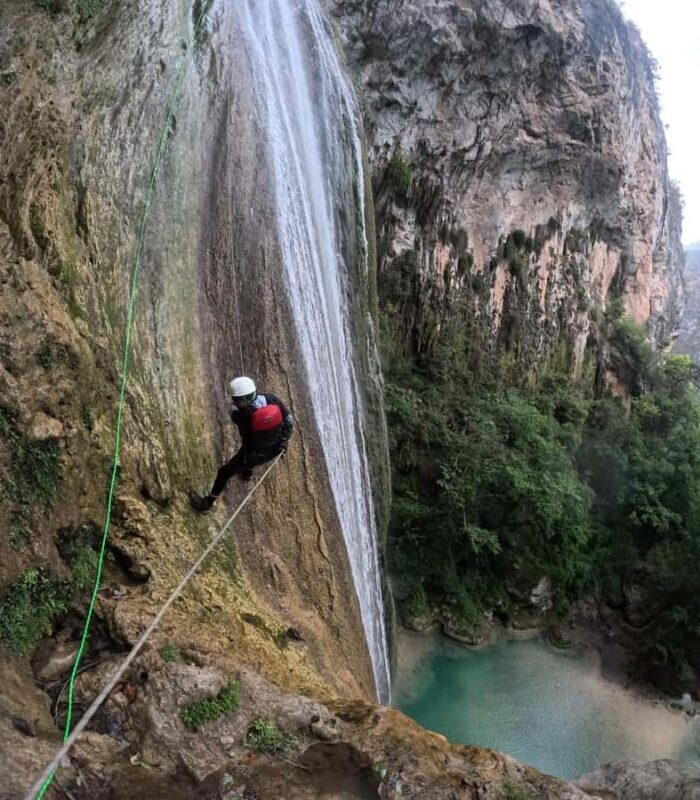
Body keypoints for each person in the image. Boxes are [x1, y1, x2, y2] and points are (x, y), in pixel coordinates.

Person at [188, 376, 293, 512]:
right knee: (249, 459)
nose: (234, 401)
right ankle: (247, 473)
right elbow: (289, 419)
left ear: (245, 399)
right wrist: (284, 440)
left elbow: (235, 414)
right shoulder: (271, 400)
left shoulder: (240, 414)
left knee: (224, 472)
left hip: (252, 453)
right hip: (274, 449)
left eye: (237, 399)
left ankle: (207, 504)